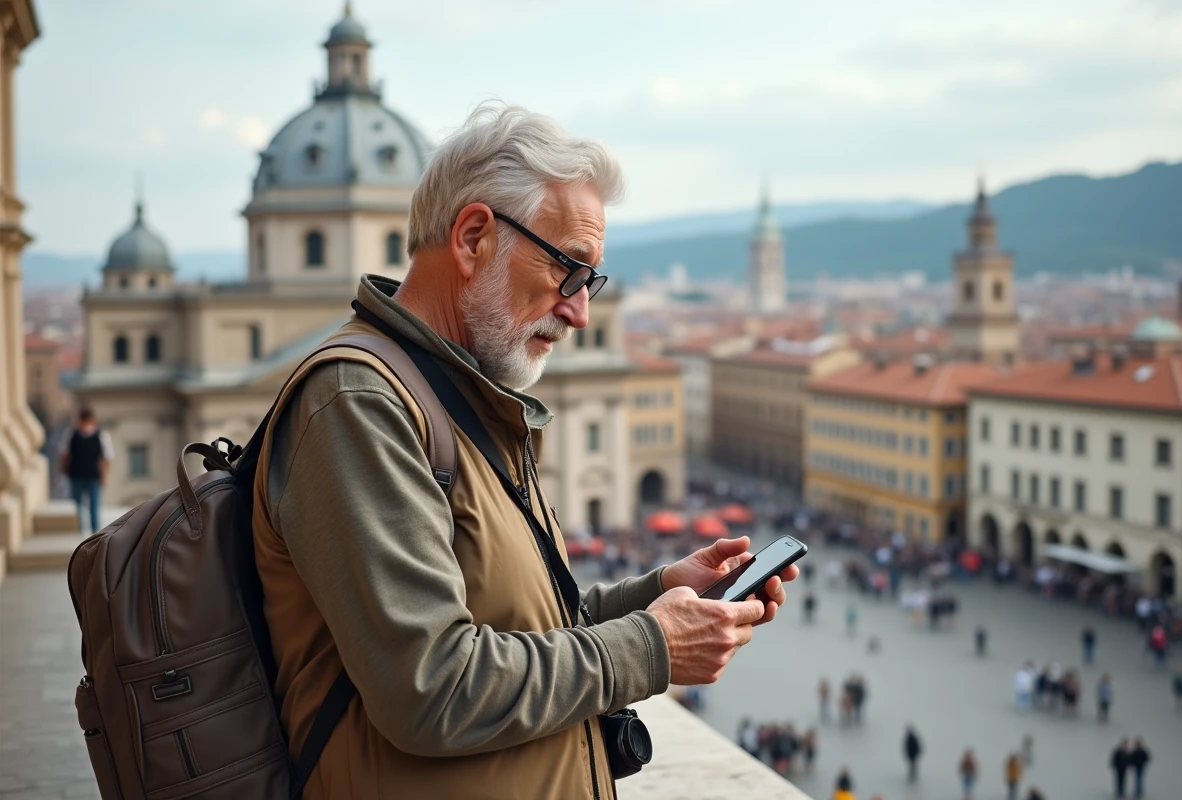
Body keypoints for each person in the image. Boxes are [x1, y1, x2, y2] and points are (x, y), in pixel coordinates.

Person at [251, 105, 800, 799]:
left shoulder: (458, 394)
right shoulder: (360, 403)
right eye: (571, 270)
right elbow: (434, 688)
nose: (580, 312)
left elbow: (520, 633)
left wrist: (657, 594)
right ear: (475, 237)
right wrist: (653, 646)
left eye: (591, 282)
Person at [58, 407, 113, 535]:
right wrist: (63, 470)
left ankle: (95, 532)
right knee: (77, 506)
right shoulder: (71, 435)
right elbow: (65, 454)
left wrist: (104, 475)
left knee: (93, 506)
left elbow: (107, 458)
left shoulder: (101, 436)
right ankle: (79, 530)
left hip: (93, 476)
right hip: (76, 475)